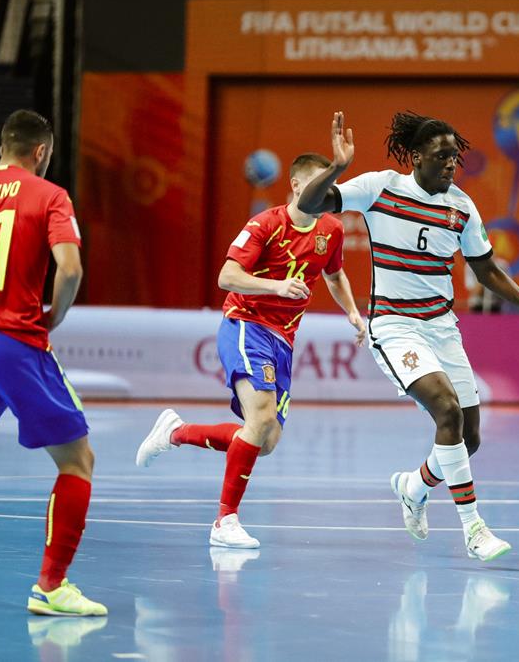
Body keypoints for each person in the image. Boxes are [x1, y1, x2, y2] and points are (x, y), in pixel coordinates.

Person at [295, 111, 519, 562]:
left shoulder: (462, 207)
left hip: (441, 327)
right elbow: (312, 205)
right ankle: (474, 529)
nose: (451, 164)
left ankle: (413, 486)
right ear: (416, 157)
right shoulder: (380, 187)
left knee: (468, 439)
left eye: (455, 157)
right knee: (446, 410)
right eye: (442, 156)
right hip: (394, 326)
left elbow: (487, 270)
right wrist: (336, 168)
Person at [135, 153, 366, 548]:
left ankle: (176, 432)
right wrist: (276, 287)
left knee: (266, 440)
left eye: (329, 187)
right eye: (317, 184)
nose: (324, 193)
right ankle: (225, 522)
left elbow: (335, 272)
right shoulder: (266, 224)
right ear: (296, 185)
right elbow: (227, 276)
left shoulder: (331, 228)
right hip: (247, 325)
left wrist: (353, 313)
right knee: (259, 420)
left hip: (284, 340)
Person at [0, 110, 105, 616]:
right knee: (78, 460)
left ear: (2, 144)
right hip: (12, 339)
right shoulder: (49, 194)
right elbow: (71, 267)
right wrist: (53, 314)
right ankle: (51, 587)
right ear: (41, 152)